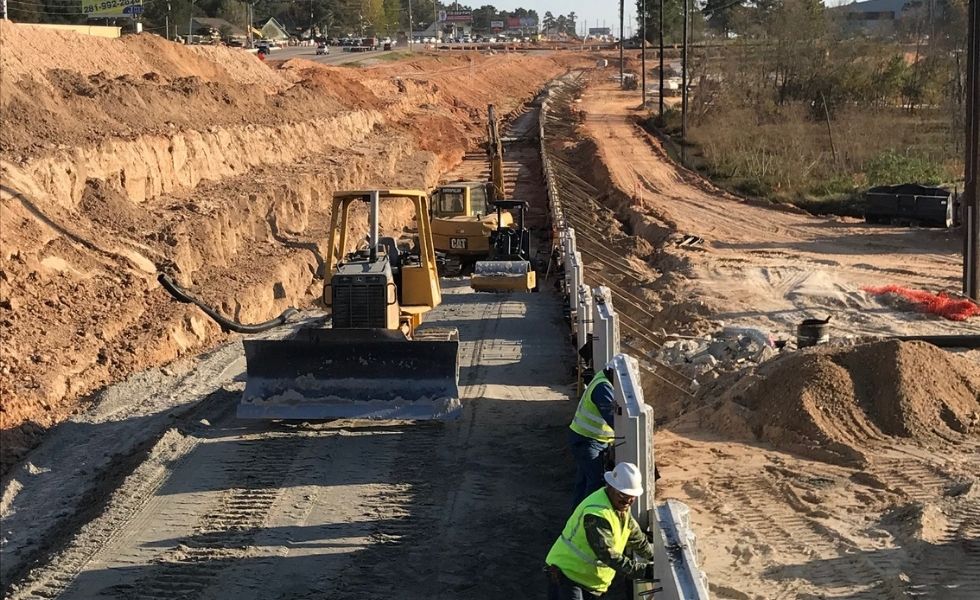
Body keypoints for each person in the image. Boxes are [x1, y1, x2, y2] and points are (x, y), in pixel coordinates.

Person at [545, 462, 655, 599]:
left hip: (587, 580)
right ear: (611, 487)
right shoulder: (597, 515)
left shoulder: (619, 507)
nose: (628, 501)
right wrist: (644, 571)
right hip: (567, 575)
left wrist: (654, 557)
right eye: (623, 495)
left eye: (632, 496)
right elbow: (607, 555)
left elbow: (635, 536)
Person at [568, 365, 616, 507]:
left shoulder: (602, 378)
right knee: (596, 483)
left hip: (586, 439)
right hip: (588, 441)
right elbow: (613, 419)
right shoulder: (603, 388)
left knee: (584, 482)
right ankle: (589, 514)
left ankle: (576, 515)